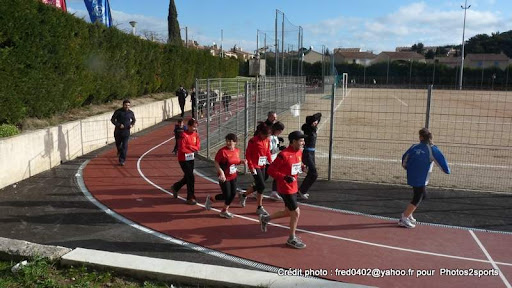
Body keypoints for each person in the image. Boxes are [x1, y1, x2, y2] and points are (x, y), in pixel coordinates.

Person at [260, 131, 306, 249]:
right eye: (301, 141)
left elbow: (296, 165)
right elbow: (271, 171)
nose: (303, 143)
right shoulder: (283, 155)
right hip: (285, 188)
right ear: (293, 141)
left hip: (294, 186)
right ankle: (291, 239)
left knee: (288, 212)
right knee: (296, 212)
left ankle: (266, 218)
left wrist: (302, 167)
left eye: (303, 140)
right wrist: (284, 177)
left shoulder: (299, 152)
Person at [399, 128, 450, 228]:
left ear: (421, 137)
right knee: (419, 197)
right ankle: (404, 218)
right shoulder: (432, 149)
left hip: (412, 174)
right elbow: (442, 163)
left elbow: (404, 158)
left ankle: (408, 214)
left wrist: (407, 167)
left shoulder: (414, 147)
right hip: (421, 177)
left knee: (421, 195)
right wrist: (447, 170)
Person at [205, 133, 247, 218]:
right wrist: (221, 172)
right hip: (224, 177)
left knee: (233, 194)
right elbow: (216, 162)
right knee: (226, 195)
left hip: (233, 176)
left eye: (230, 141)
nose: (228, 143)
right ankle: (211, 199)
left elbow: (235, 161)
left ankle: (224, 211)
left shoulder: (236, 150)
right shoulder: (222, 151)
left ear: (235, 142)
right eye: (227, 141)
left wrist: (241, 161)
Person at [239, 122, 272, 215]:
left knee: (260, 184)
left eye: (268, 136)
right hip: (255, 165)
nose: (267, 138)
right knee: (262, 185)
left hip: (263, 164)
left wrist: (271, 162)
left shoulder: (267, 141)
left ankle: (243, 195)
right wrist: (251, 167)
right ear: (260, 133)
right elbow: (248, 155)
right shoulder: (253, 141)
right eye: (265, 136)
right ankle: (259, 207)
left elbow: (268, 152)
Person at [171, 118, 200, 205]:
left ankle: (176, 187)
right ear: (189, 126)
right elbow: (182, 148)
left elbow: (197, 147)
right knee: (191, 177)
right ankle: (190, 197)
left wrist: (190, 147)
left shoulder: (195, 135)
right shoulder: (183, 135)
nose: (195, 129)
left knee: (188, 176)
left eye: (196, 127)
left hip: (191, 158)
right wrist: (191, 148)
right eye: (193, 127)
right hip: (183, 159)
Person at [298, 112, 322, 199]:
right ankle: (301, 191)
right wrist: (313, 120)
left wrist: (315, 120)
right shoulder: (308, 129)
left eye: (317, 121)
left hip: (312, 153)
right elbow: (318, 115)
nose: (316, 122)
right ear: (310, 122)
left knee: (311, 173)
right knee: (314, 174)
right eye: (314, 121)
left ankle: (301, 191)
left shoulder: (313, 128)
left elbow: (319, 115)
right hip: (307, 153)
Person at [111, 99, 136, 166]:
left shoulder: (131, 112)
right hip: (118, 132)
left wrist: (131, 124)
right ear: (123, 105)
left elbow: (133, 120)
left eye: (128, 105)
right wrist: (119, 125)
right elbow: (112, 120)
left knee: (125, 146)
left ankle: (122, 160)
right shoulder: (118, 111)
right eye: (126, 105)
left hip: (126, 132)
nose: (127, 106)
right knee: (118, 145)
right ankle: (119, 151)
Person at [268, 121, 286, 201]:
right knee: (263, 178)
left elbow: (275, 146)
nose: (280, 132)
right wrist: (279, 148)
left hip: (273, 159)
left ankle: (274, 192)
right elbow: (270, 151)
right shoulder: (270, 138)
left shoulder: (275, 137)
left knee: (277, 176)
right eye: (280, 130)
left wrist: (279, 142)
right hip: (268, 161)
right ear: (276, 129)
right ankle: (252, 190)